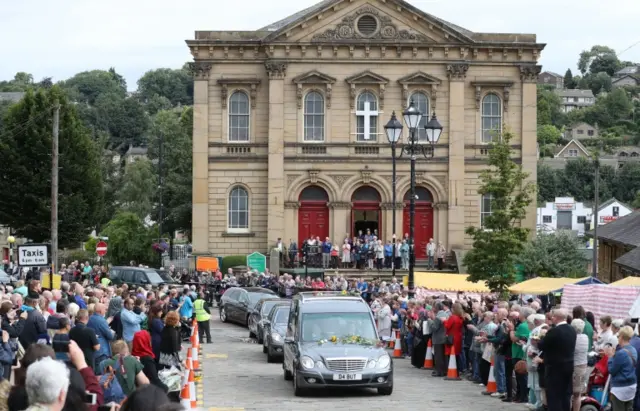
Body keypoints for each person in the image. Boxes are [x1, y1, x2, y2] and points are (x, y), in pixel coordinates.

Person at [538, 308, 576, 411]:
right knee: (565, 394)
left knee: (554, 395)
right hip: (568, 365)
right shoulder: (572, 329)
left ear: (557, 318)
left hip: (555, 367)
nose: (552, 318)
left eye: (553, 316)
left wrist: (542, 336)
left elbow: (542, 345)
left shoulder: (555, 331)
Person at [606, 326, 637, 411]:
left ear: (622, 337)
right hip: (631, 386)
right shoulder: (633, 350)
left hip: (620, 388)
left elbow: (611, 370)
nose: (618, 338)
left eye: (618, 336)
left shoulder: (621, 353)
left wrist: (611, 357)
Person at [571, 319, 589, 411]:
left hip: (575, 367)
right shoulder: (585, 337)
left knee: (573, 393)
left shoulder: (573, 338)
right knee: (578, 394)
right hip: (583, 366)